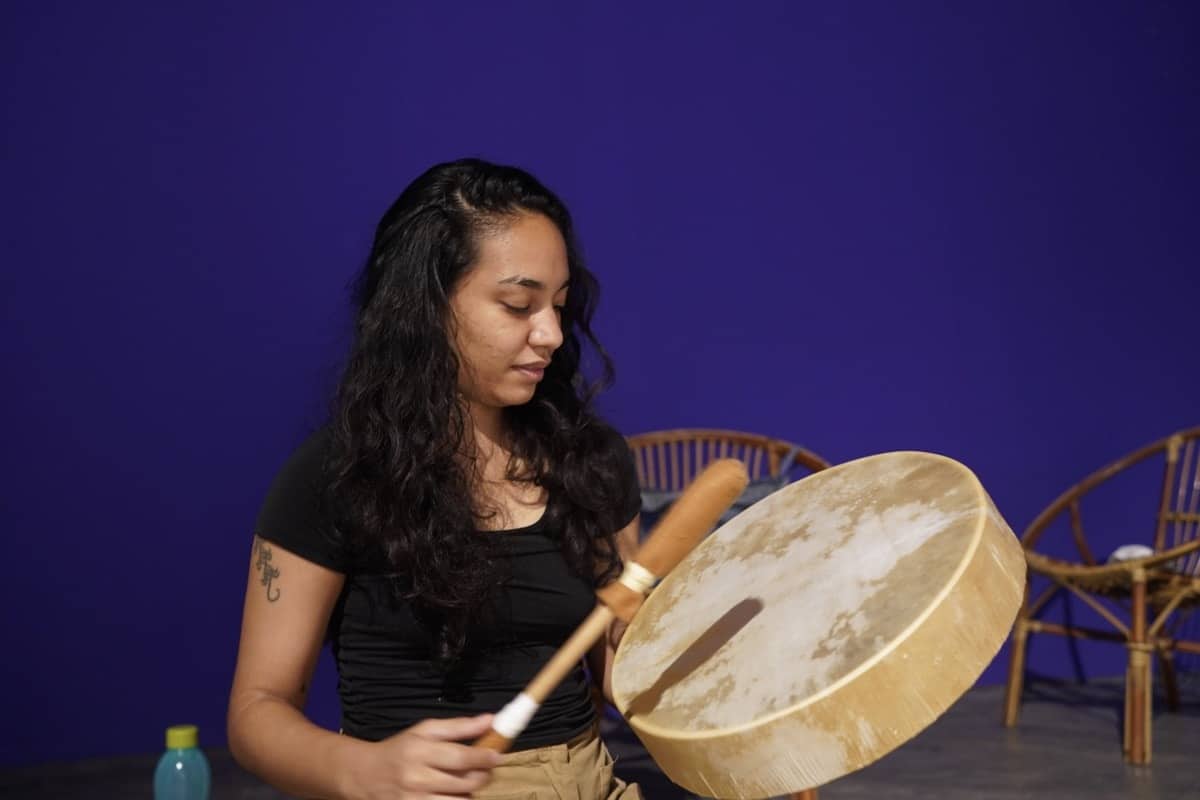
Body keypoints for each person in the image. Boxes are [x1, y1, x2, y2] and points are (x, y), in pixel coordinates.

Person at [227, 158, 643, 799]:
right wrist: (361, 769)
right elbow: (256, 712)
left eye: (559, 306)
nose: (552, 334)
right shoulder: (336, 475)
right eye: (517, 304)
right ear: (425, 307)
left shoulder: (591, 459)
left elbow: (621, 668)